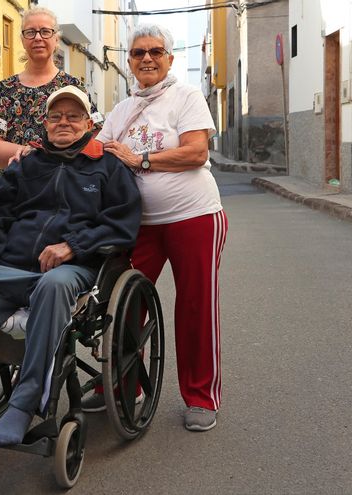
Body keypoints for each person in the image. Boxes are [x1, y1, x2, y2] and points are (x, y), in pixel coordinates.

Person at [0, 86, 141, 446]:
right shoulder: (27, 164)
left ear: (89, 122)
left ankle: (23, 407)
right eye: (55, 116)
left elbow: (122, 224)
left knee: (54, 285)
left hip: (75, 271)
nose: (64, 123)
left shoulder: (108, 166)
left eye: (73, 116)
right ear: (44, 123)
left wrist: (74, 246)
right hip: (10, 268)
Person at [84, 23, 229, 433]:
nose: (146, 58)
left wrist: (141, 160)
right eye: (137, 53)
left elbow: (196, 152)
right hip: (141, 225)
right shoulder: (121, 110)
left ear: (169, 58)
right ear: (128, 61)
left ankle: (201, 397)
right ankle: (124, 386)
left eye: (155, 51)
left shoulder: (186, 97)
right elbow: (100, 151)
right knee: (124, 306)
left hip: (195, 216)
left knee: (195, 306)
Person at [0, 6, 101, 169]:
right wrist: (30, 153)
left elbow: (98, 134)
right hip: (21, 186)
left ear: (56, 39)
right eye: (30, 32)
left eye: (45, 31)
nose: (38, 38)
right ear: (22, 40)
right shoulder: (5, 89)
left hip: (67, 182)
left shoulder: (74, 86)